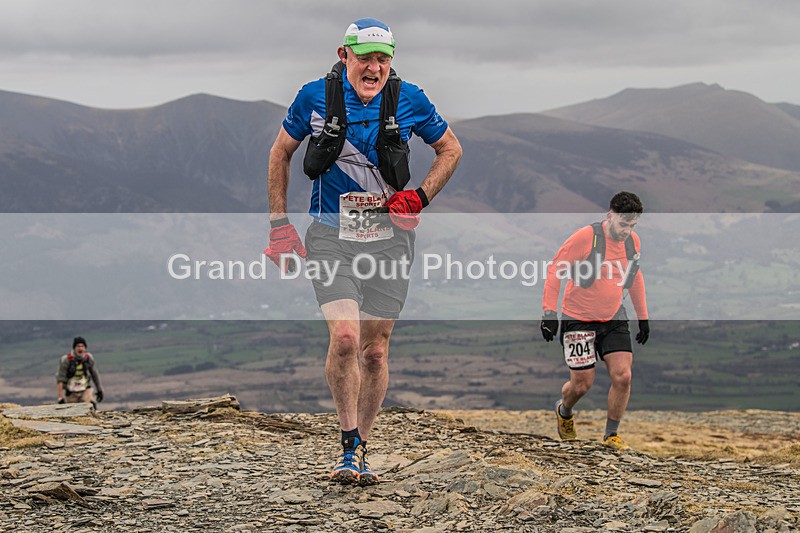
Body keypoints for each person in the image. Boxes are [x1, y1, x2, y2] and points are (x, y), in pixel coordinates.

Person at [264, 17, 461, 485]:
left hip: (390, 239)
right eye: (365, 58)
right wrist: (278, 225)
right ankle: (348, 443)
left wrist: (420, 197)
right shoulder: (314, 97)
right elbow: (280, 152)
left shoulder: (410, 98)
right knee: (346, 338)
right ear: (343, 55)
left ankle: (362, 449)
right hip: (331, 236)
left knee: (374, 351)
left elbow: (451, 149)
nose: (374, 67)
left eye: (383, 59)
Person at [540, 191, 649, 451]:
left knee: (623, 376)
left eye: (633, 225)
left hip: (613, 316)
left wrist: (643, 317)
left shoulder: (632, 242)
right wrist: (549, 313)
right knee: (581, 385)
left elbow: (634, 276)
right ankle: (564, 410)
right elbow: (555, 270)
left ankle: (611, 435)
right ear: (610, 216)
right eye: (623, 224)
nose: (627, 231)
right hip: (578, 319)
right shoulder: (585, 237)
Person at [56, 336, 104, 406]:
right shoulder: (66, 360)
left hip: (85, 389)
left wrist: (99, 390)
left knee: (90, 405)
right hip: (71, 392)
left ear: (85, 348)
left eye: (82, 346)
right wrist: (60, 397)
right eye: (78, 346)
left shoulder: (88, 359)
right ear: (74, 348)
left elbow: (94, 374)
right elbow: (60, 378)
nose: (80, 348)